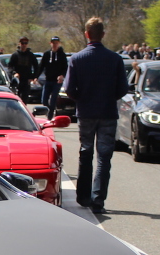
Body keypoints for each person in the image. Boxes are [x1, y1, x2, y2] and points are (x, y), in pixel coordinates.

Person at [62, 17, 128, 213]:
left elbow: (69, 89)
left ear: (86, 34)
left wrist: (82, 98)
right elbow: (123, 88)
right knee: (104, 157)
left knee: (86, 152)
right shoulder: (115, 59)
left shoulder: (77, 59)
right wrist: (108, 97)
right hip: (107, 111)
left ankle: (83, 196)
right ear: (103, 35)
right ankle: (98, 199)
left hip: (86, 112)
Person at [39, 35, 69, 114]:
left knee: (53, 100)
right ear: (50, 43)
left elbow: (65, 67)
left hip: (57, 81)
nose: (55, 45)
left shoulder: (62, 55)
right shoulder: (47, 54)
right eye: (53, 43)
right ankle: (49, 110)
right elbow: (41, 66)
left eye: (56, 43)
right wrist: (35, 77)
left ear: (59, 43)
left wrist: (62, 75)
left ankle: (51, 114)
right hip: (48, 80)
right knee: (44, 101)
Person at [8, 36, 41, 103]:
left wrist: (34, 77)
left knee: (25, 98)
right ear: (19, 44)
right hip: (17, 80)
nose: (24, 45)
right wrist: (14, 73)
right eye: (22, 43)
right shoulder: (15, 55)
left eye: (25, 43)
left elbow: (36, 67)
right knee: (16, 97)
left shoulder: (30, 55)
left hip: (27, 80)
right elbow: (10, 66)